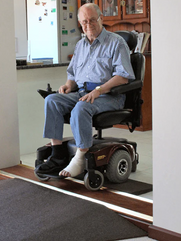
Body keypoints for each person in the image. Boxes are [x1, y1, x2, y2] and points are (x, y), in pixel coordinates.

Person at [36, 3, 135, 177]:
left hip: (110, 95)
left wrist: (99, 89)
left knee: (81, 107)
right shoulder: (80, 45)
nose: (88, 25)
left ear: (101, 19)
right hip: (82, 92)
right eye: (84, 22)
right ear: (80, 24)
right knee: (52, 100)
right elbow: (73, 74)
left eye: (92, 20)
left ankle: (80, 158)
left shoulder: (116, 43)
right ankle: (57, 154)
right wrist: (68, 85)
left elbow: (123, 76)